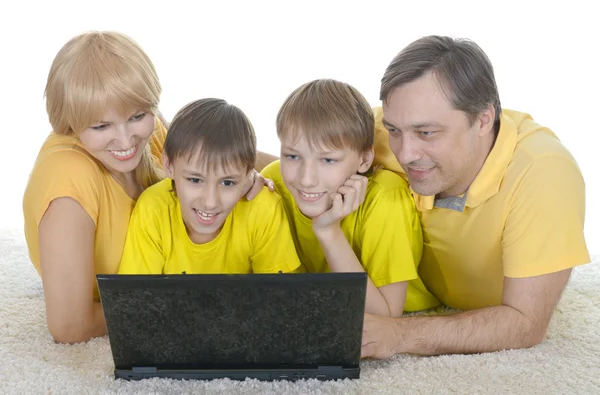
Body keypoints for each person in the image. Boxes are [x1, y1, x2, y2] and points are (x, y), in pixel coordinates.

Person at [22, 31, 271, 344]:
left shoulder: (148, 133)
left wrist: (272, 173)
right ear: (71, 122)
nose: (126, 141)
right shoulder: (68, 182)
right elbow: (70, 327)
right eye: (101, 126)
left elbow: (211, 154)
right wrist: (185, 300)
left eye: (137, 116)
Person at [360, 35, 590, 357]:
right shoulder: (386, 131)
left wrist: (399, 335)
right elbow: (303, 161)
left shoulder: (544, 173)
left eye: (426, 133)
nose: (406, 153)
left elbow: (525, 322)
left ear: (483, 119)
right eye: (395, 129)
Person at [261, 79, 440, 317]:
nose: (306, 179)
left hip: (404, 310)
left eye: (327, 160)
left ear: (364, 160)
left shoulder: (386, 198)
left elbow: (384, 319)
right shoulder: (274, 181)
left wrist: (328, 231)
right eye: (292, 156)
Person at [118, 98, 303, 275]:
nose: (210, 202)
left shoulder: (262, 208)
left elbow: (279, 300)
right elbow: (135, 303)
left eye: (227, 183)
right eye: (195, 180)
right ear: (168, 165)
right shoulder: (153, 210)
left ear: (248, 176)